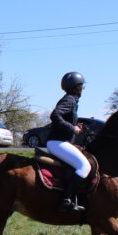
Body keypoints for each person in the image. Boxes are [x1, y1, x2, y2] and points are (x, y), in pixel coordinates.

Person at [47, 71, 90, 213]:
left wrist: (76, 127)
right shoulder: (69, 99)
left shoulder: (71, 100)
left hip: (59, 142)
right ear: (76, 86)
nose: (82, 88)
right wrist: (73, 128)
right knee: (84, 167)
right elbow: (55, 115)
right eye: (81, 86)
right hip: (57, 143)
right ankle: (66, 200)